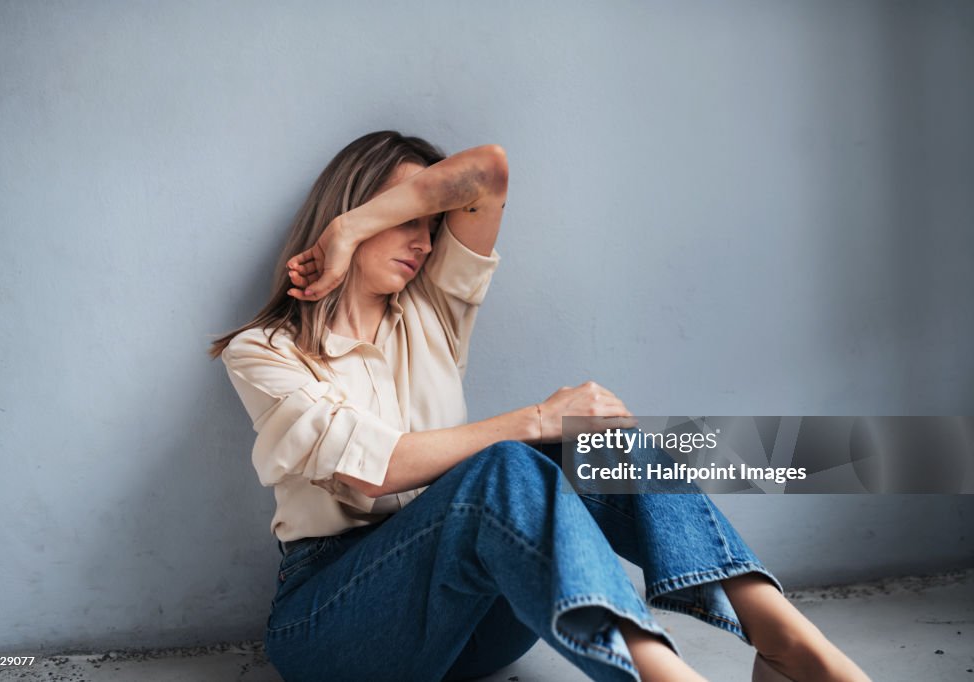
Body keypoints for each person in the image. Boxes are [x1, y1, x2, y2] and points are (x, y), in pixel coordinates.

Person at [209, 131, 871, 681]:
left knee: (594, 441)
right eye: (402, 220)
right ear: (343, 211)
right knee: (508, 465)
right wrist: (532, 420)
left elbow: (487, 172)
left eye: (429, 224)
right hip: (337, 626)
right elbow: (369, 470)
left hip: (476, 624)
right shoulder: (265, 351)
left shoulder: (431, 313)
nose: (423, 241)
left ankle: (786, 643)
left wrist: (354, 225)